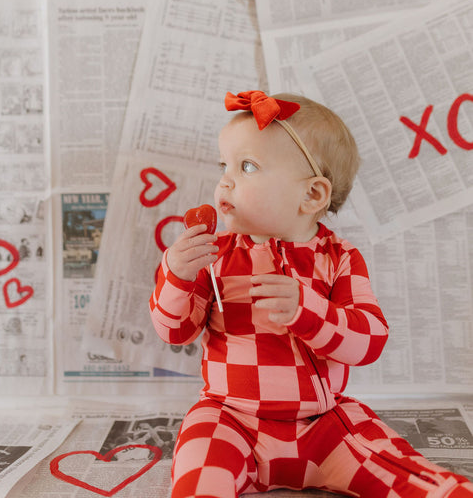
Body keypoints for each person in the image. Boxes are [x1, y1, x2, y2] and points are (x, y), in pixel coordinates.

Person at [150, 89, 473, 498]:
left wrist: (309, 311)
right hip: (229, 418)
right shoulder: (215, 255)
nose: (225, 181)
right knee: (199, 479)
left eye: (247, 166)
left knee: (417, 479)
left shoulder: (339, 258)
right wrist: (176, 275)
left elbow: (369, 340)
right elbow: (175, 330)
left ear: (312, 195)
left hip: (325, 424)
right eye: (224, 166)